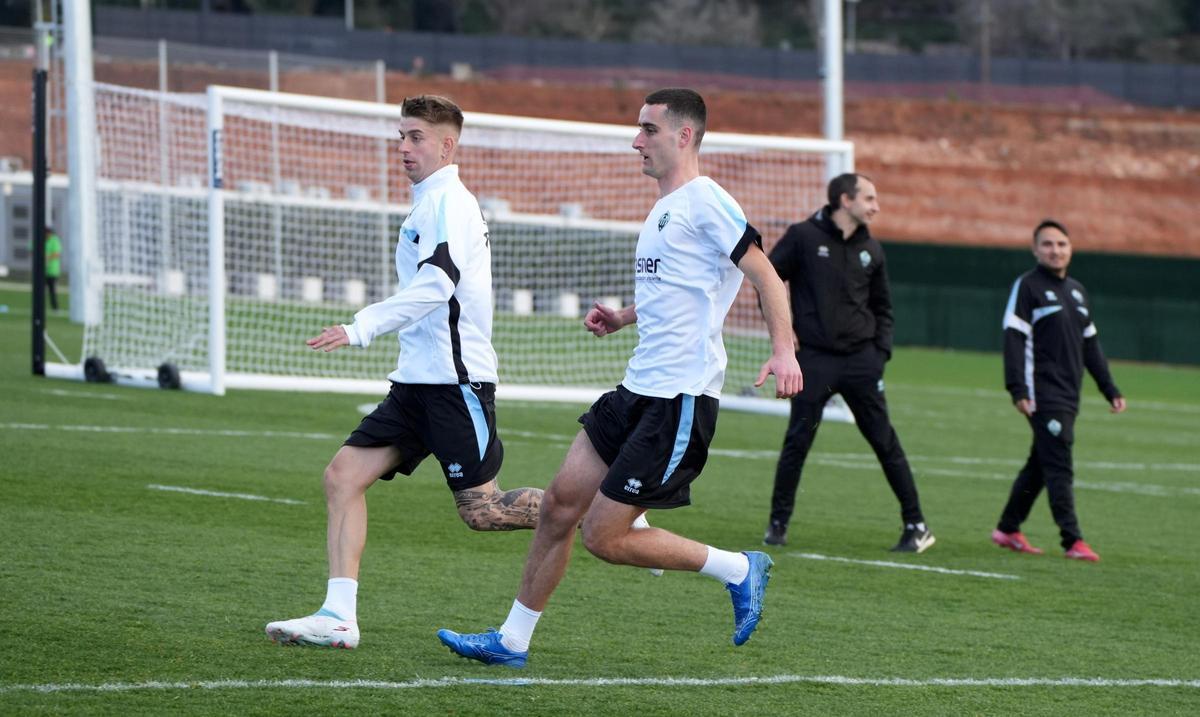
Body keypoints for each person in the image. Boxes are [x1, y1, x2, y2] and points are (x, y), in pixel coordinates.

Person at [436, 88, 803, 669]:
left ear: (683, 136)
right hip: (636, 389)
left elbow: (767, 278)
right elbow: (681, 291)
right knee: (558, 505)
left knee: (604, 538)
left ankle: (737, 568)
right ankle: (511, 640)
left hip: (679, 398)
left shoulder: (707, 200)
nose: (636, 140)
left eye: (648, 130)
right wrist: (624, 317)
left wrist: (785, 351)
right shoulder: (664, 208)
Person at [265, 95, 544, 649]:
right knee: (343, 476)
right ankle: (339, 615)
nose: (404, 148)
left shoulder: (450, 204)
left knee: (483, 511)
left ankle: (595, 510)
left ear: (447, 145)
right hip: (417, 382)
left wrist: (360, 326)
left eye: (416, 137)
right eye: (400, 136)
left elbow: (436, 286)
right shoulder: (427, 204)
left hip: (455, 382)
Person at [761, 174, 934, 553]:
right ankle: (778, 523)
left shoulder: (872, 247)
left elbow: (883, 307)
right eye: (869, 198)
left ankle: (916, 525)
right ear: (845, 199)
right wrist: (783, 334)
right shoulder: (803, 236)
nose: (876, 206)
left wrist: (879, 354)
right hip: (815, 361)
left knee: (884, 441)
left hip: (861, 363)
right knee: (798, 440)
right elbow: (768, 280)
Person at [992, 219, 1126, 562]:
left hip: (1069, 393)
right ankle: (1073, 540)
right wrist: (1017, 388)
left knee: (1041, 463)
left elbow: (1091, 347)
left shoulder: (1077, 291)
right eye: (1048, 244)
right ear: (1035, 250)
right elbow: (1014, 338)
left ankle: (1008, 528)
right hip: (1041, 392)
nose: (1055, 250)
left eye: (1061, 244)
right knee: (1059, 463)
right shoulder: (1028, 287)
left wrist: (1109, 388)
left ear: (1071, 249)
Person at [45, 226, 61, 311]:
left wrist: (47, 257)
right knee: (39, 292)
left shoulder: (55, 240)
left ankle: (55, 308)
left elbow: (57, 253)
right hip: (42, 272)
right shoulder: (40, 239)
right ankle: (39, 307)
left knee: (52, 291)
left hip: (52, 271)